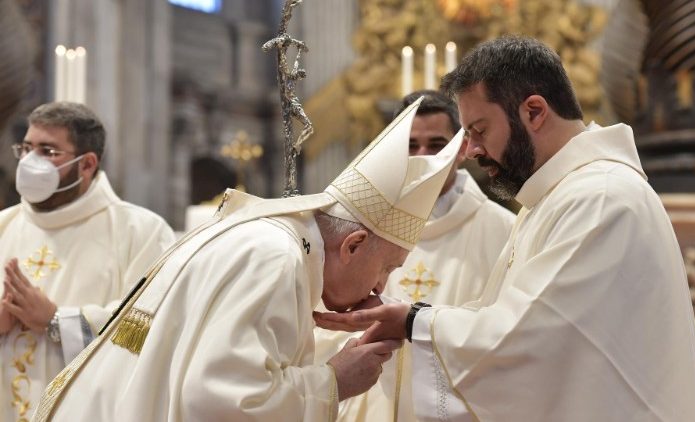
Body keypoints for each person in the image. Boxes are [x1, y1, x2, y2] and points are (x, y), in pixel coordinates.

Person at [315, 36, 695, 421]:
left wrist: (413, 322)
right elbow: (506, 317)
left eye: (480, 130)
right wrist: (408, 317)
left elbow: (529, 343)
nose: (470, 151)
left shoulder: (601, 200)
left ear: (534, 112)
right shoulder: (555, 198)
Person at [31, 97, 464, 421]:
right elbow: (220, 397)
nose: (381, 287)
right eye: (387, 266)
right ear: (352, 245)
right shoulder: (276, 258)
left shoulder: (273, 241)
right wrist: (333, 382)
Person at [315, 90, 515, 421]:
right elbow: (322, 324)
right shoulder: (358, 225)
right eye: (411, 146)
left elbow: (508, 333)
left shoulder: (503, 230)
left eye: (436, 145)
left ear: (463, 147)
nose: (423, 157)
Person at [0, 102, 175, 421]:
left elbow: (150, 332)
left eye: (47, 151)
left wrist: (56, 320)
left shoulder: (141, 232)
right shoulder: (4, 225)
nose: (29, 161)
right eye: (26, 148)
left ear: (87, 164)